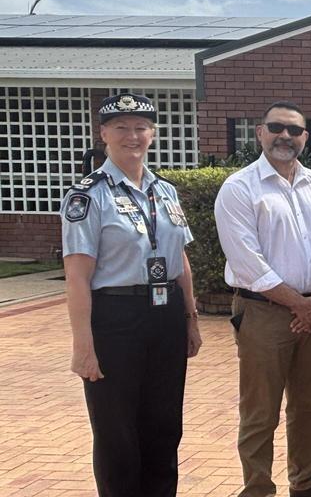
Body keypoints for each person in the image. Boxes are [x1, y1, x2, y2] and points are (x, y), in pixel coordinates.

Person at [61, 92, 202, 497]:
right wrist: (83, 346)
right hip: (116, 319)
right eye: (121, 127)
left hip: (166, 316)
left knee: (164, 426)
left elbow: (181, 259)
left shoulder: (166, 191)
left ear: (153, 134)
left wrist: (190, 320)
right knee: (117, 432)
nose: (132, 135)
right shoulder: (87, 195)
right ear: (103, 133)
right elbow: (77, 277)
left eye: (140, 127)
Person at [216, 101, 311, 497]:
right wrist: (300, 305)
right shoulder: (240, 188)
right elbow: (247, 262)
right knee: (260, 411)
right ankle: (257, 488)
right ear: (260, 132)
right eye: (276, 128)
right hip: (264, 314)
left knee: (310, 407)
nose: (285, 136)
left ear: (305, 138)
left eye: (294, 130)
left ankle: (306, 483)